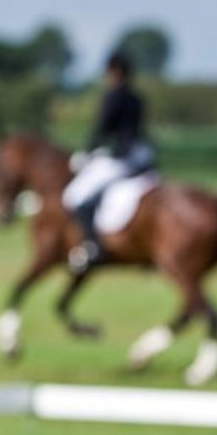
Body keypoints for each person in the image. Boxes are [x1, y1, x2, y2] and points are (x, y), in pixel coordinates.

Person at [62, 51, 154, 271]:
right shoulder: (137, 98)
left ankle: (92, 246)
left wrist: (86, 152)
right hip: (143, 155)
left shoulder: (113, 96)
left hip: (121, 157)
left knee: (75, 196)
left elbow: (102, 128)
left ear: (114, 72)